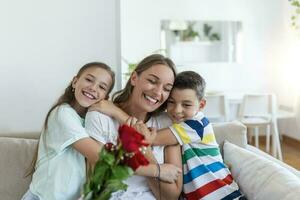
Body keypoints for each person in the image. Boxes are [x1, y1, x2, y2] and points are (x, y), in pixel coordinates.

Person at [85, 54, 183, 200]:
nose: (157, 92)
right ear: (134, 78)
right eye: (152, 81)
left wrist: (144, 148)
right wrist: (157, 170)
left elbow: (171, 196)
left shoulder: (167, 124)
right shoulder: (100, 116)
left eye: (166, 89)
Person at [21, 62, 115, 200]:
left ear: (105, 98)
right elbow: (100, 157)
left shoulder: (93, 123)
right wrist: (117, 112)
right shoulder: (62, 113)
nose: (93, 88)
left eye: (102, 87)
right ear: (75, 81)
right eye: (89, 79)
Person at [144, 71, 244, 200]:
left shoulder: (197, 125)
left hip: (224, 194)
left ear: (201, 105)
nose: (177, 110)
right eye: (171, 102)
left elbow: (151, 139)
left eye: (186, 105)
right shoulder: (177, 125)